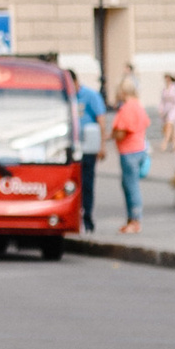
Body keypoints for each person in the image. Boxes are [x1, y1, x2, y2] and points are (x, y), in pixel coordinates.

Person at [110, 76, 151, 227]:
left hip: (129, 151)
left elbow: (121, 132)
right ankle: (132, 219)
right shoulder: (138, 105)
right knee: (130, 184)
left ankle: (134, 220)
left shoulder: (127, 108)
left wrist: (112, 134)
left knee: (130, 186)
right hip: (139, 148)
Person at [75, 72, 105, 231]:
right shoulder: (65, 95)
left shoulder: (90, 95)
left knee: (87, 184)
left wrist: (102, 145)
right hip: (71, 150)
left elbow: (101, 119)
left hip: (88, 148)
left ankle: (87, 219)